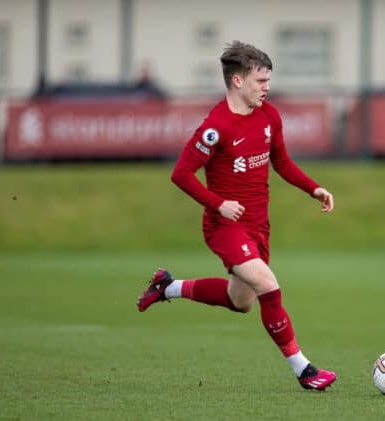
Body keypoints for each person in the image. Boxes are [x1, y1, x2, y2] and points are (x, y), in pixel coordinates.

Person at [137, 41, 336, 391]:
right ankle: (304, 371)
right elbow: (181, 174)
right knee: (268, 285)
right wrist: (218, 204)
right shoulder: (216, 126)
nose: (266, 87)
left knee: (239, 301)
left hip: (259, 226)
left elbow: (282, 163)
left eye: (268, 80)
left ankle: (168, 287)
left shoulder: (269, 116)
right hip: (225, 226)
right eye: (260, 80)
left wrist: (314, 188)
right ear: (238, 82)